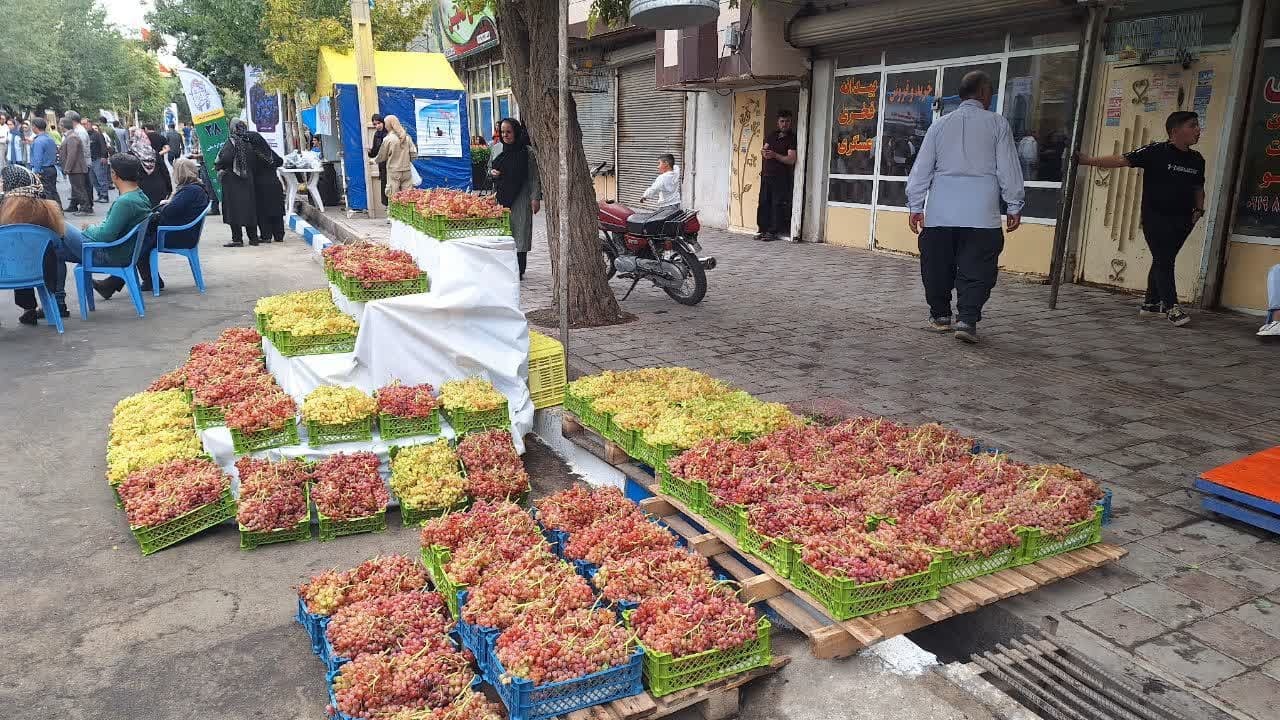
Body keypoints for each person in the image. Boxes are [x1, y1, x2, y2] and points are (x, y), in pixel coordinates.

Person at [906, 70, 1024, 344]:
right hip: (981, 214)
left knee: (937, 265)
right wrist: (1014, 204)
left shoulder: (939, 126)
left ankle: (940, 315)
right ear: (984, 93)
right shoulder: (997, 124)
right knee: (978, 267)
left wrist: (915, 205)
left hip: (940, 213)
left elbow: (921, 170)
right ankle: (967, 319)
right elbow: (1008, 167)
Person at [1077, 112, 1204, 327]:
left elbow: (1198, 187)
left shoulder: (1197, 159)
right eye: (1192, 126)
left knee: (1163, 258)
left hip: (1183, 220)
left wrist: (1199, 210)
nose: (1198, 130)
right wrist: (1088, 161)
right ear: (1175, 131)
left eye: (1197, 126)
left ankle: (1151, 303)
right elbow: (1121, 159)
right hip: (1156, 217)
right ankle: (1171, 306)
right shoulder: (1155, 151)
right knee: (1165, 259)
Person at [94, 157, 210, 299]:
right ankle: (138, 281)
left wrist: (165, 205)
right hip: (183, 232)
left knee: (140, 242)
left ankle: (116, 282)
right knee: (142, 240)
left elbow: (170, 211)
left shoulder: (190, 191)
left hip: (178, 235)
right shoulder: (195, 189)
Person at [47, 153, 154, 306]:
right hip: (120, 251)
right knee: (54, 250)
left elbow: (106, 235)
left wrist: (89, 229)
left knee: (57, 223)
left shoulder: (125, 202)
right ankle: (58, 303)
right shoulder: (140, 195)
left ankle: (56, 303)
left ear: (114, 174)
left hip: (107, 254)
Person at [1, 164, 68, 325]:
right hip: (42, 271)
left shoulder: (4, 208)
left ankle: (28, 308)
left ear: (11, 184)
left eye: (3, 181)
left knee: (15, 255)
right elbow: (59, 241)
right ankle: (54, 303)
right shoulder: (47, 208)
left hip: (6, 271)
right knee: (27, 256)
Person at [215, 120, 284, 246]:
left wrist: (220, 167)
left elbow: (224, 159)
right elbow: (277, 161)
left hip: (240, 183)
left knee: (239, 212)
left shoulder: (234, 142)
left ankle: (241, 239)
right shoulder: (256, 146)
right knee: (254, 211)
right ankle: (258, 238)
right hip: (258, 182)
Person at [489, 118, 542, 280]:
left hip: (521, 196)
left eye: (509, 132)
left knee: (520, 232)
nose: (505, 135)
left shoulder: (527, 152)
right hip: (502, 196)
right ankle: (504, 267)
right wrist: (492, 173)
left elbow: (534, 177)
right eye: (502, 132)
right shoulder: (496, 149)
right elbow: (489, 169)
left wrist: (535, 198)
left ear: (516, 132)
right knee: (504, 232)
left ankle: (519, 269)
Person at [756, 109, 797, 242]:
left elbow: (791, 159)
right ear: (778, 122)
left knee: (777, 204)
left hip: (781, 177)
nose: (784, 124)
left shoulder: (792, 138)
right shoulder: (772, 135)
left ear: (791, 122)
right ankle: (762, 229)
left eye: (787, 121)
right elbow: (764, 148)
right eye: (782, 121)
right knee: (763, 203)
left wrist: (775, 155)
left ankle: (773, 231)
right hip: (767, 175)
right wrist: (765, 153)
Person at [373, 115, 417, 197]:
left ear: (389, 124)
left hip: (394, 172)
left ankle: (395, 210)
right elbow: (414, 154)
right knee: (407, 197)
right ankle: (407, 210)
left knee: (394, 198)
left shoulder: (388, 139)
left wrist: (373, 161)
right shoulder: (407, 137)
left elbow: (382, 156)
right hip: (407, 171)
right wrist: (408, 160)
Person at [130, 129, 173, 207]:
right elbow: (164, 171)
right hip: (159, 188)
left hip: (141, 191)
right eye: (146, 138)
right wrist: (169, 188)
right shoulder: (154, 153)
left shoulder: (131, 155)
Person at [58, 117, 91, 216]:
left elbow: (72, 155)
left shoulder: (72, 137)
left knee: (79, 188)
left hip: (76, 168)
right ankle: (80, 206)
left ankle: (85, 208)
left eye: (60, 124)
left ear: (63, 126)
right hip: (75, 168)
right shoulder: (71, 136)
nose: (59, 126)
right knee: (77, 188)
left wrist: (67, 168)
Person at [28, 119, 60, 209]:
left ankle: (51, 211)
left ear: (35, 127)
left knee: (46, 191)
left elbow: (38, 158)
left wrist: (37, 171)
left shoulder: (38, 141)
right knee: (53, 190)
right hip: (52, 167)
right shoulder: (49, 139)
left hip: (43, 169)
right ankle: (58, 208)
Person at [85, 119, 111, 204]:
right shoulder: (86, 135)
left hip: (98, 158)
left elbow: (103, 146)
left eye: (87, 124)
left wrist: (104, 156)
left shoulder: (97, 135)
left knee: (101, 178)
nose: (85, 126)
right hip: (90, 160)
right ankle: (100, 194)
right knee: (93, 179)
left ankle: (104, 195)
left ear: (90, 124)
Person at [367, 114, 389, 207]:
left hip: (391, 165)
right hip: (382, 166)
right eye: (375, 124)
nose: (377, 126)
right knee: (385, 189)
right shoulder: (377, 135)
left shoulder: (389, 134)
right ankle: (389, 212)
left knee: (393, 188)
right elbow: (375, 151)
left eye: (379, 123)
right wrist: (370, 152)